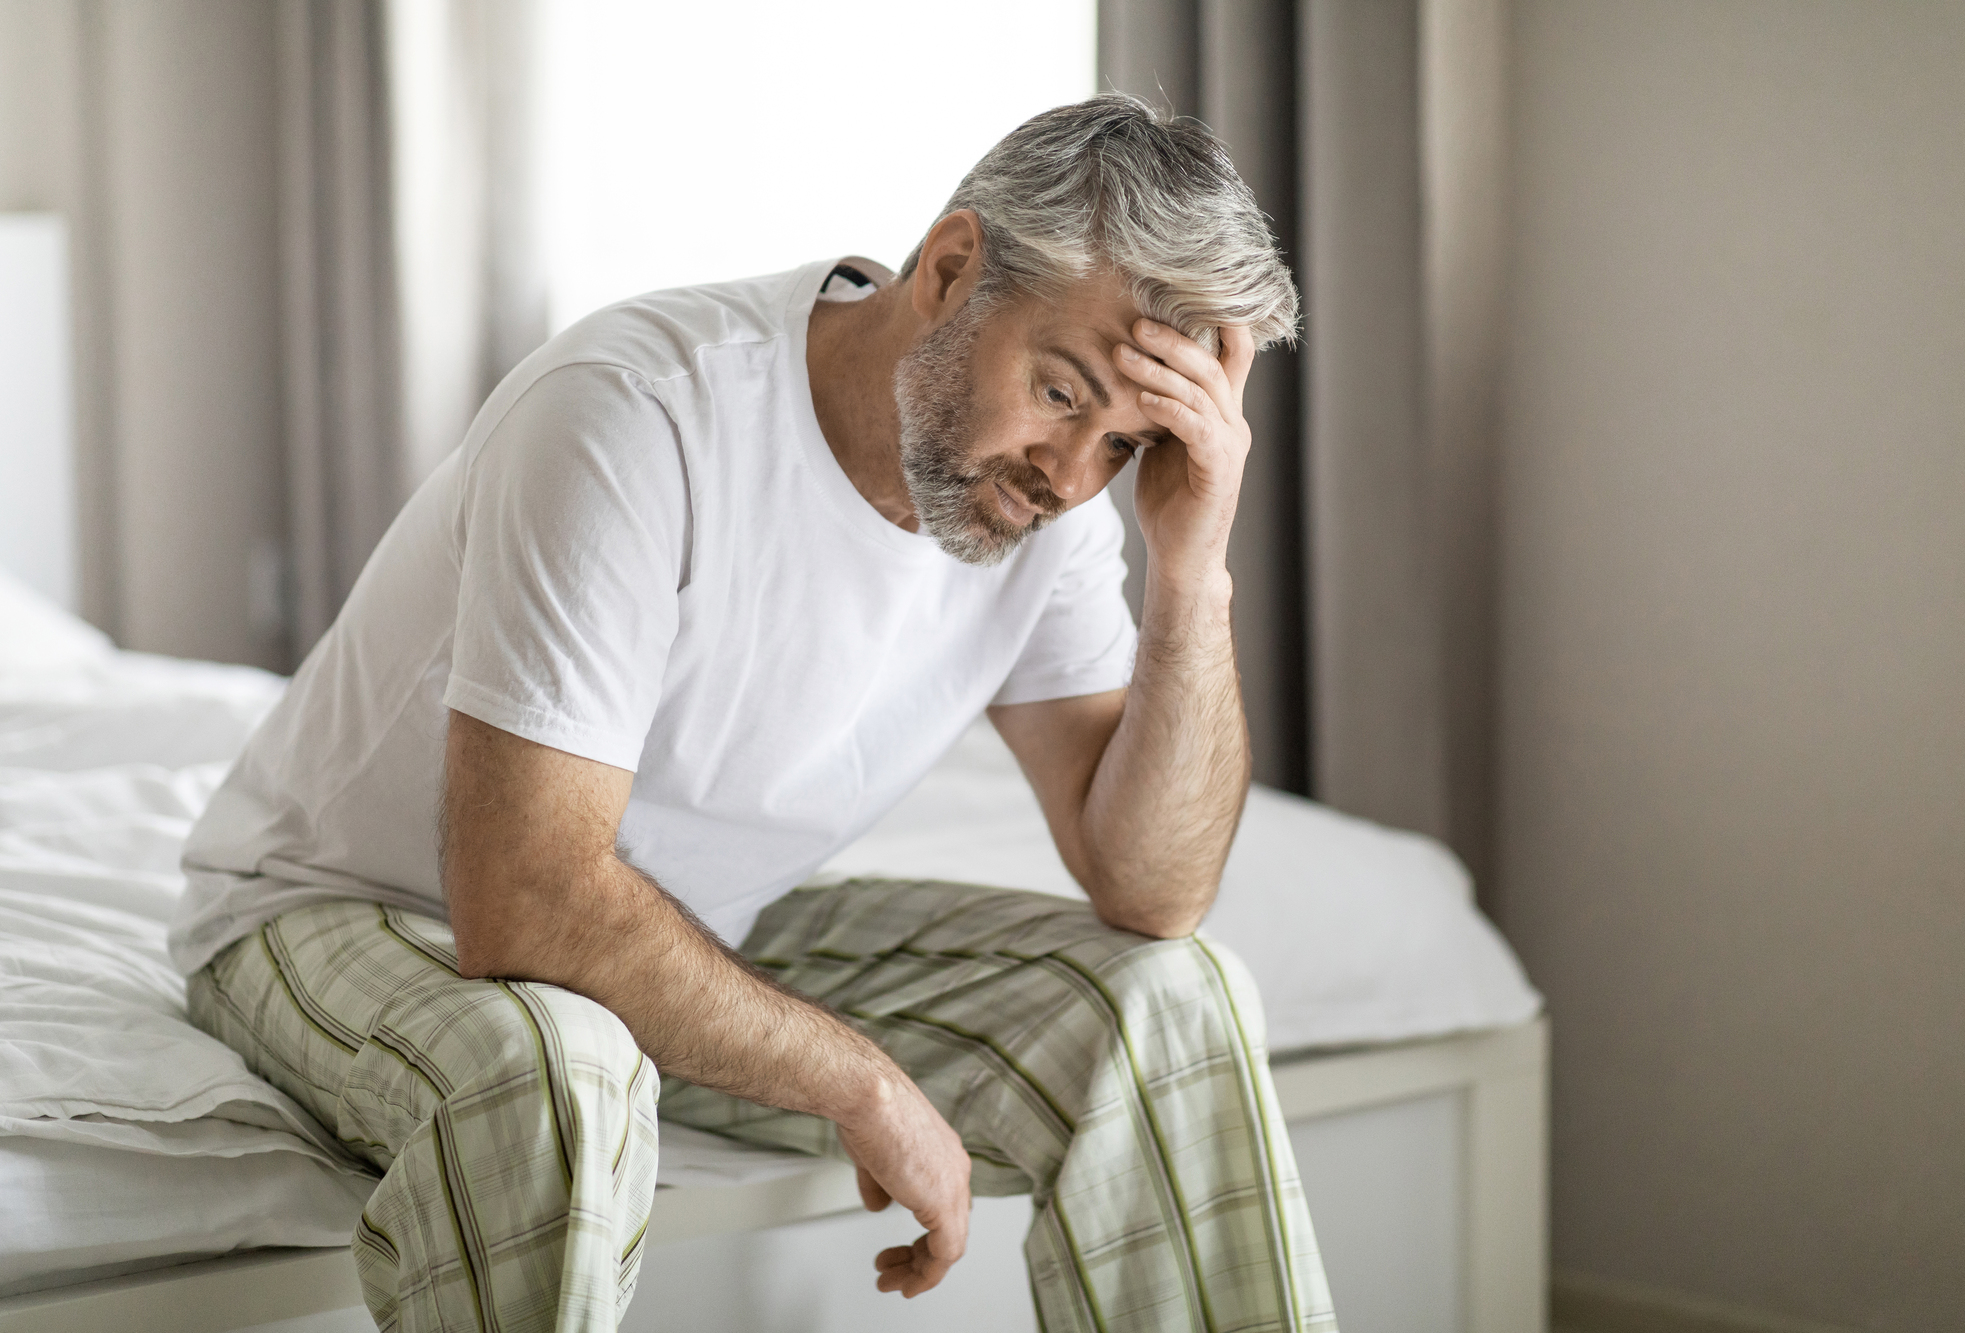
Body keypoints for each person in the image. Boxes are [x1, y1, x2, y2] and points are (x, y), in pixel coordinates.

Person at [170, 94, 1337, 1333]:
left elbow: (1149, 888)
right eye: (1060, 392)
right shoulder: (637, 411)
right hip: (355, 909)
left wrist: (1190, 567)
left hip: (684, 933)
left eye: (1123, 444)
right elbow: (525, 896)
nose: (1068, 475)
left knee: (1168, 997)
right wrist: (860, 1082)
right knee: (565, 1065)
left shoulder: (1038, 510)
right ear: (950, 270)